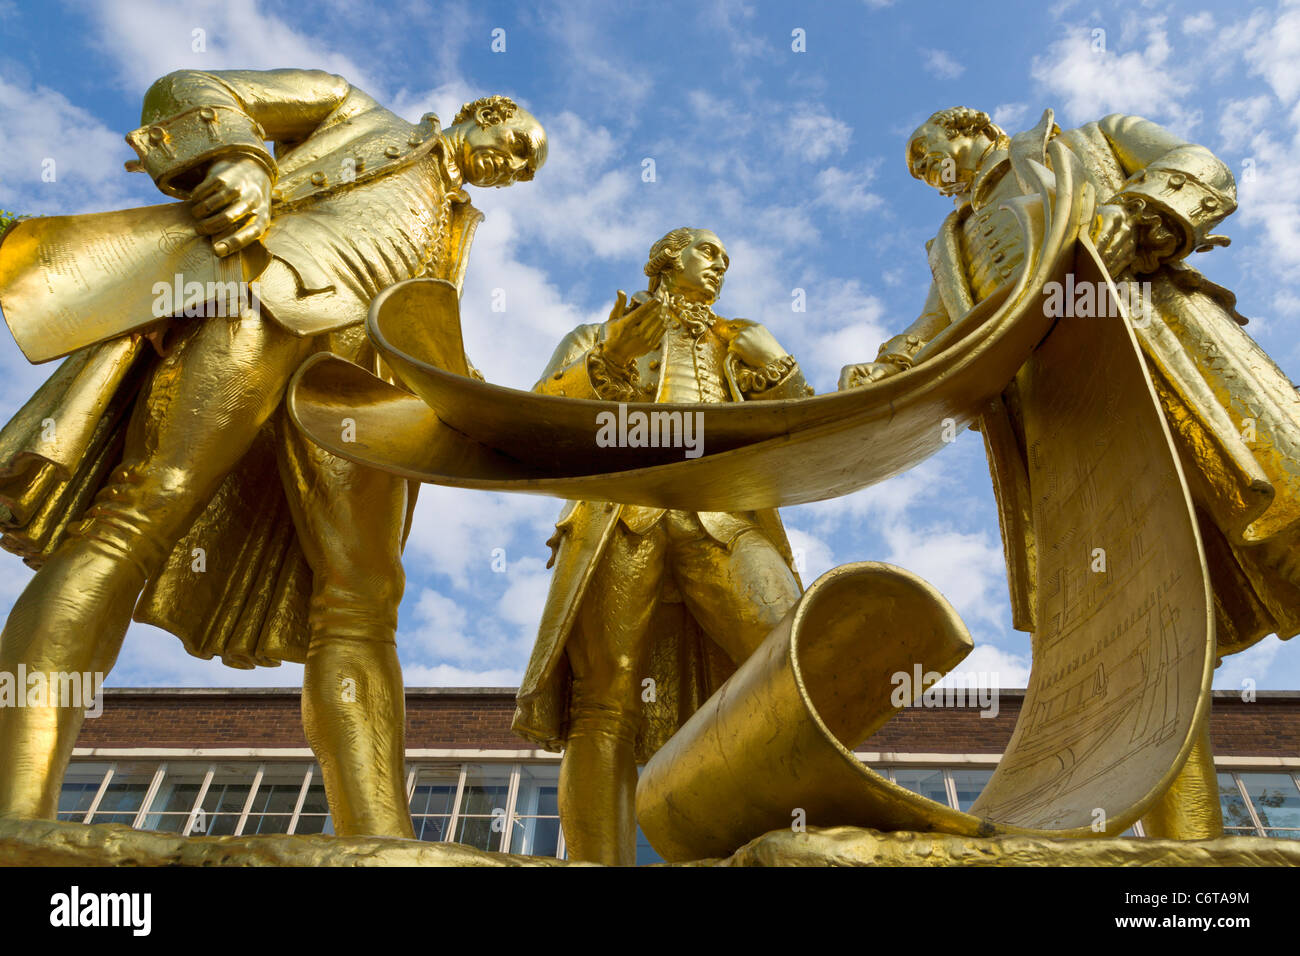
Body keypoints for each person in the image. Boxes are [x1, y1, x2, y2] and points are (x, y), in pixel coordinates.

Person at [0, 68, 546, 836]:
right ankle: (16, 810)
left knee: (365, 598)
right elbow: (192, 84)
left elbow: (428, 332)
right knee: (142, 508)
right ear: (485, 113)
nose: (514, 168)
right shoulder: (355, 107)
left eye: (525, 169)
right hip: (264, 289)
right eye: (517, 146)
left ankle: (377, 840)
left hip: (366, 383)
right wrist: (240, 161)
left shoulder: (457, 225)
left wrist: (477, 406)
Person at [841, 106, 1300, 837]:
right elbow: (938, 330)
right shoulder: (951, 245)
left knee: (1286, 517)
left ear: (972, 127)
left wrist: (1138, 208)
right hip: (1064, 424)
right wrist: (889, 361)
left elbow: (1201, 162)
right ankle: (1192, 851)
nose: (936, 177)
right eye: (925, 175)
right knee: (1139, 630)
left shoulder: (1081, 140)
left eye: (933, 156)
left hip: (1163, 347)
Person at [512, 227, 814, 864]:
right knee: (602, 700)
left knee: (789, 665)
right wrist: (610, 357)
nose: (720, 267)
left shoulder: (738, 344)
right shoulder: (598, 333)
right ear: (664, 259)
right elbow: (536, 416)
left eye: (727, 260)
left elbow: (808, 437)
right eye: (708, 252)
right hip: (621, 514)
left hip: (725, 517)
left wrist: (779, 364)